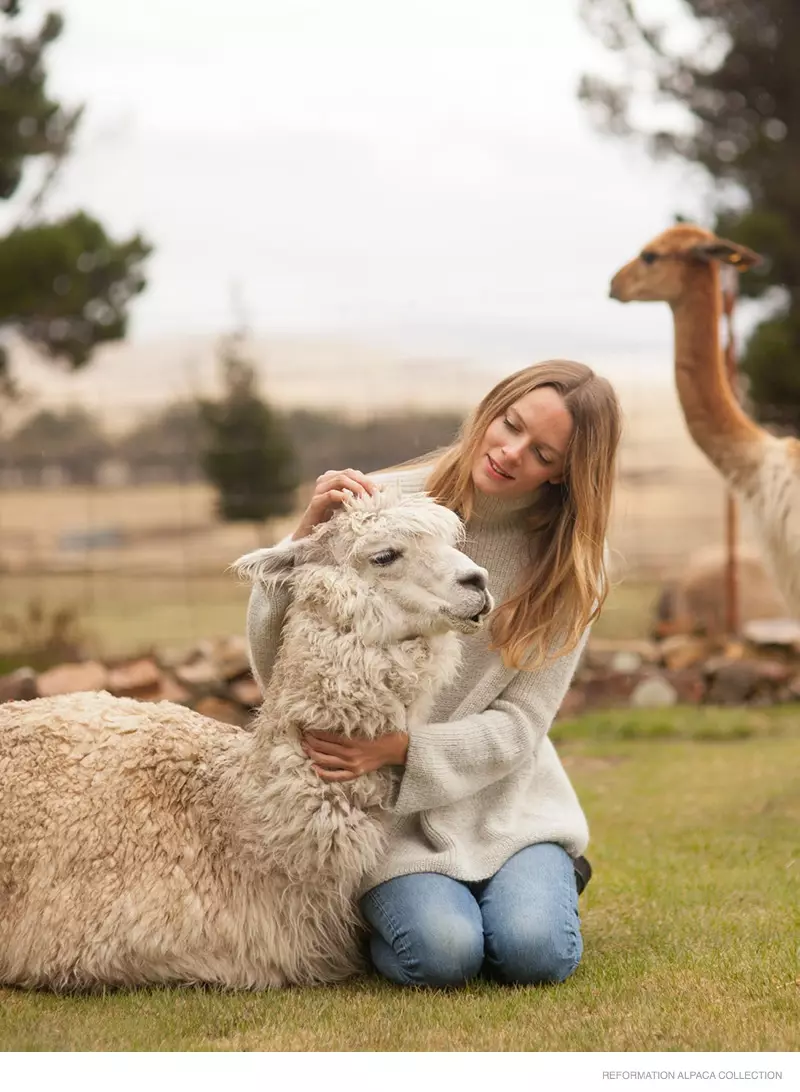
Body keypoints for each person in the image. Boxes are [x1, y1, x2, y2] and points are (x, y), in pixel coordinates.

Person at [247, 359, 622, 988]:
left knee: (536, 955)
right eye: (510, 425)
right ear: (491, 409)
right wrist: (308, 531)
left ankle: (540, 876)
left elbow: (522, 723)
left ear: (565, 473)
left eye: (542, 452)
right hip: (383, 814)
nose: (510, 452)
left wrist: (403, 749)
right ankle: (401, 911)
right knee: (443, 955)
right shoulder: (383, 509)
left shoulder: (570, 564)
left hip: (506, 806)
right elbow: (276, 656)